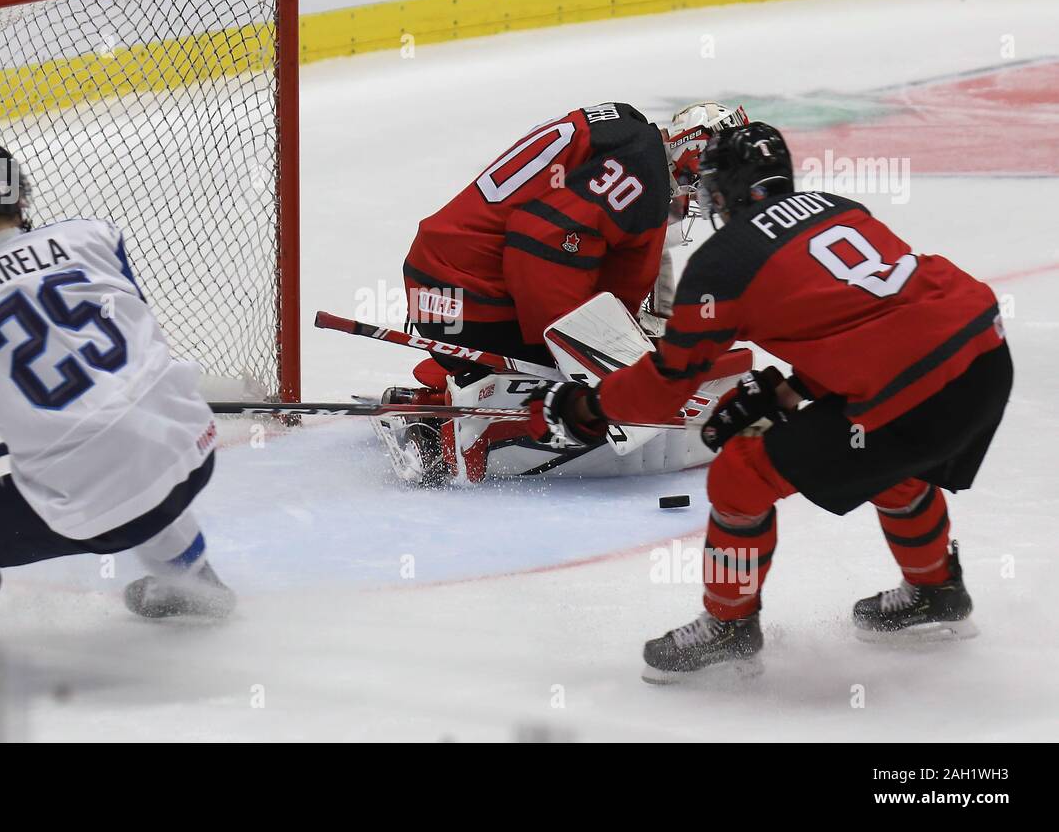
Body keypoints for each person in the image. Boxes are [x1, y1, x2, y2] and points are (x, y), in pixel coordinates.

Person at [531, 122, 1011, 682]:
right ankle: (936, 591)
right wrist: (790, 390)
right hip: (983, 358)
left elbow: (665, 388)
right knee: (887, 452)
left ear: (725, 188)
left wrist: (585, 407)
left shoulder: (722, 261)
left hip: (912, 388)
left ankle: (730, 627)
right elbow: (873, 318)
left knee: (740, 475)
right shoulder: (838, 207)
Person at [0, 141, 233, 658]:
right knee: (133, 439)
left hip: (96, 507)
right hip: (192, 449)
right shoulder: (93, 236)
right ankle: (193, 582)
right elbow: (128, 327)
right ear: (21, 195)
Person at [379, 101, 749, 485]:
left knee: (613, 370)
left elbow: (579, 245)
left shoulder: (629, 138)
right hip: (469, 293)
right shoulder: (642, 169)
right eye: (709, 178)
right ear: (695, 151)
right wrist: (588, 359)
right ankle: (464, 428)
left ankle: (464, 378)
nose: (703, 195)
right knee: (607, 395)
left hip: (442, 286)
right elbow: (538, 244)